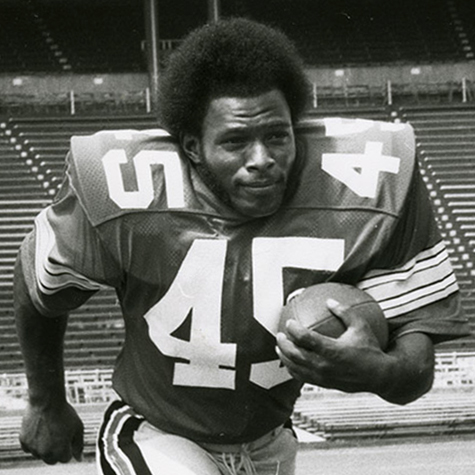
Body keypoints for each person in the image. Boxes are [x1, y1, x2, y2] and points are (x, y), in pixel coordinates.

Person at [14, 18, 470, 475]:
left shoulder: (371, 184)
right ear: (193, 147)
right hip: (155, 430)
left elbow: (416, 370)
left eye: (277, 135)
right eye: (235, 141)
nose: (262, 160)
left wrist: (379, 371)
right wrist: (46, 400)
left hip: (270, 440)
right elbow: (39, 285)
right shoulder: (126, 189)